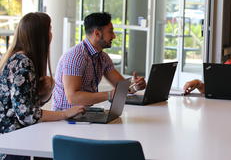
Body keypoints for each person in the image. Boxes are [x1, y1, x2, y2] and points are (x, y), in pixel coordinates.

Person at [0, 12, 85, 160]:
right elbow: (27, 115)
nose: (51, 34)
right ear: (40, 36)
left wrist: (44, 93)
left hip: (14, 138)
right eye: (49, 30)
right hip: (12, 144)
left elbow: (22, 105)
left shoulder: (17, 58)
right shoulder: (23, 63)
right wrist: (66, 113)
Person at [52, 12, 146, 111]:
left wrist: (135, 85)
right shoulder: (76, 56)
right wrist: (109, 94)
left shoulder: (103, 57)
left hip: (85, 114)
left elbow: (121, 87)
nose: (114, 36)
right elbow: (73, 97)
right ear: (97, 33)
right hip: (65, 119)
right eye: (110, 32)